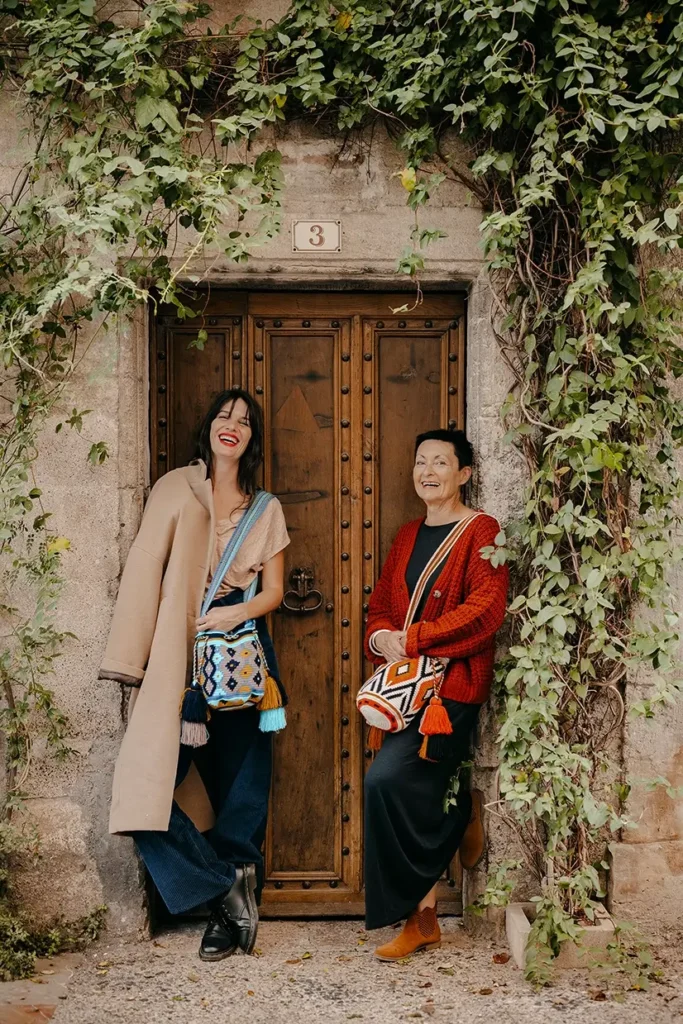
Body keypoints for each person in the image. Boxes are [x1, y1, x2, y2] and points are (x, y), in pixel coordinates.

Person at [99, 388, 289, 961]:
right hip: (179, 661)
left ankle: (225, 916)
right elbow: (142, 571)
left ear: (252, 439)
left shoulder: (266, 507)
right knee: (142, 792)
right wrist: (131, 659)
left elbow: (275, 591)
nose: (233, 426)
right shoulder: (175, 489)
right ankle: (221, 886)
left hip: (243, 657)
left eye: (245, 421)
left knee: (243, 787)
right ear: (208, 427)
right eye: (224, 416)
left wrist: (238, 608)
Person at [363, 428, 509, 961]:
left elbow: (486, 612)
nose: (427, 471)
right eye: (421, 461)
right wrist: (382, 637)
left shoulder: (481, 531)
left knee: (386, 781)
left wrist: (417, 639)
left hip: (451, 692)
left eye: (440, 462)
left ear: (463, 474)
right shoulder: (406, 535)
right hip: (406, 690)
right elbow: (380, 604)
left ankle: (455, 826)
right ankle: (423, 917)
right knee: (407, 792)